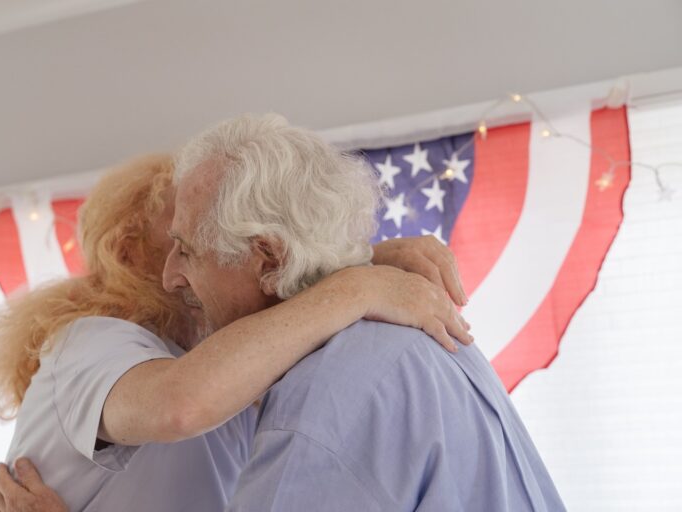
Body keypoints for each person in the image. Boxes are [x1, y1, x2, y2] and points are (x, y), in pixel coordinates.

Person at [0, 152, 472, 512]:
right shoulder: (90, 340)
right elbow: (179, 403)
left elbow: (265, 317)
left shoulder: (217, 356)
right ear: (127, 254)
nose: (209, 243)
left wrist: (354, 262)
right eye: (181, 235)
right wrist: (356, 286)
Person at [159, 114, 567, 511]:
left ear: (268, 261)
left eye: (187, 251)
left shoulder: (325, 398)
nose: (170, 277)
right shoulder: (410, 331)